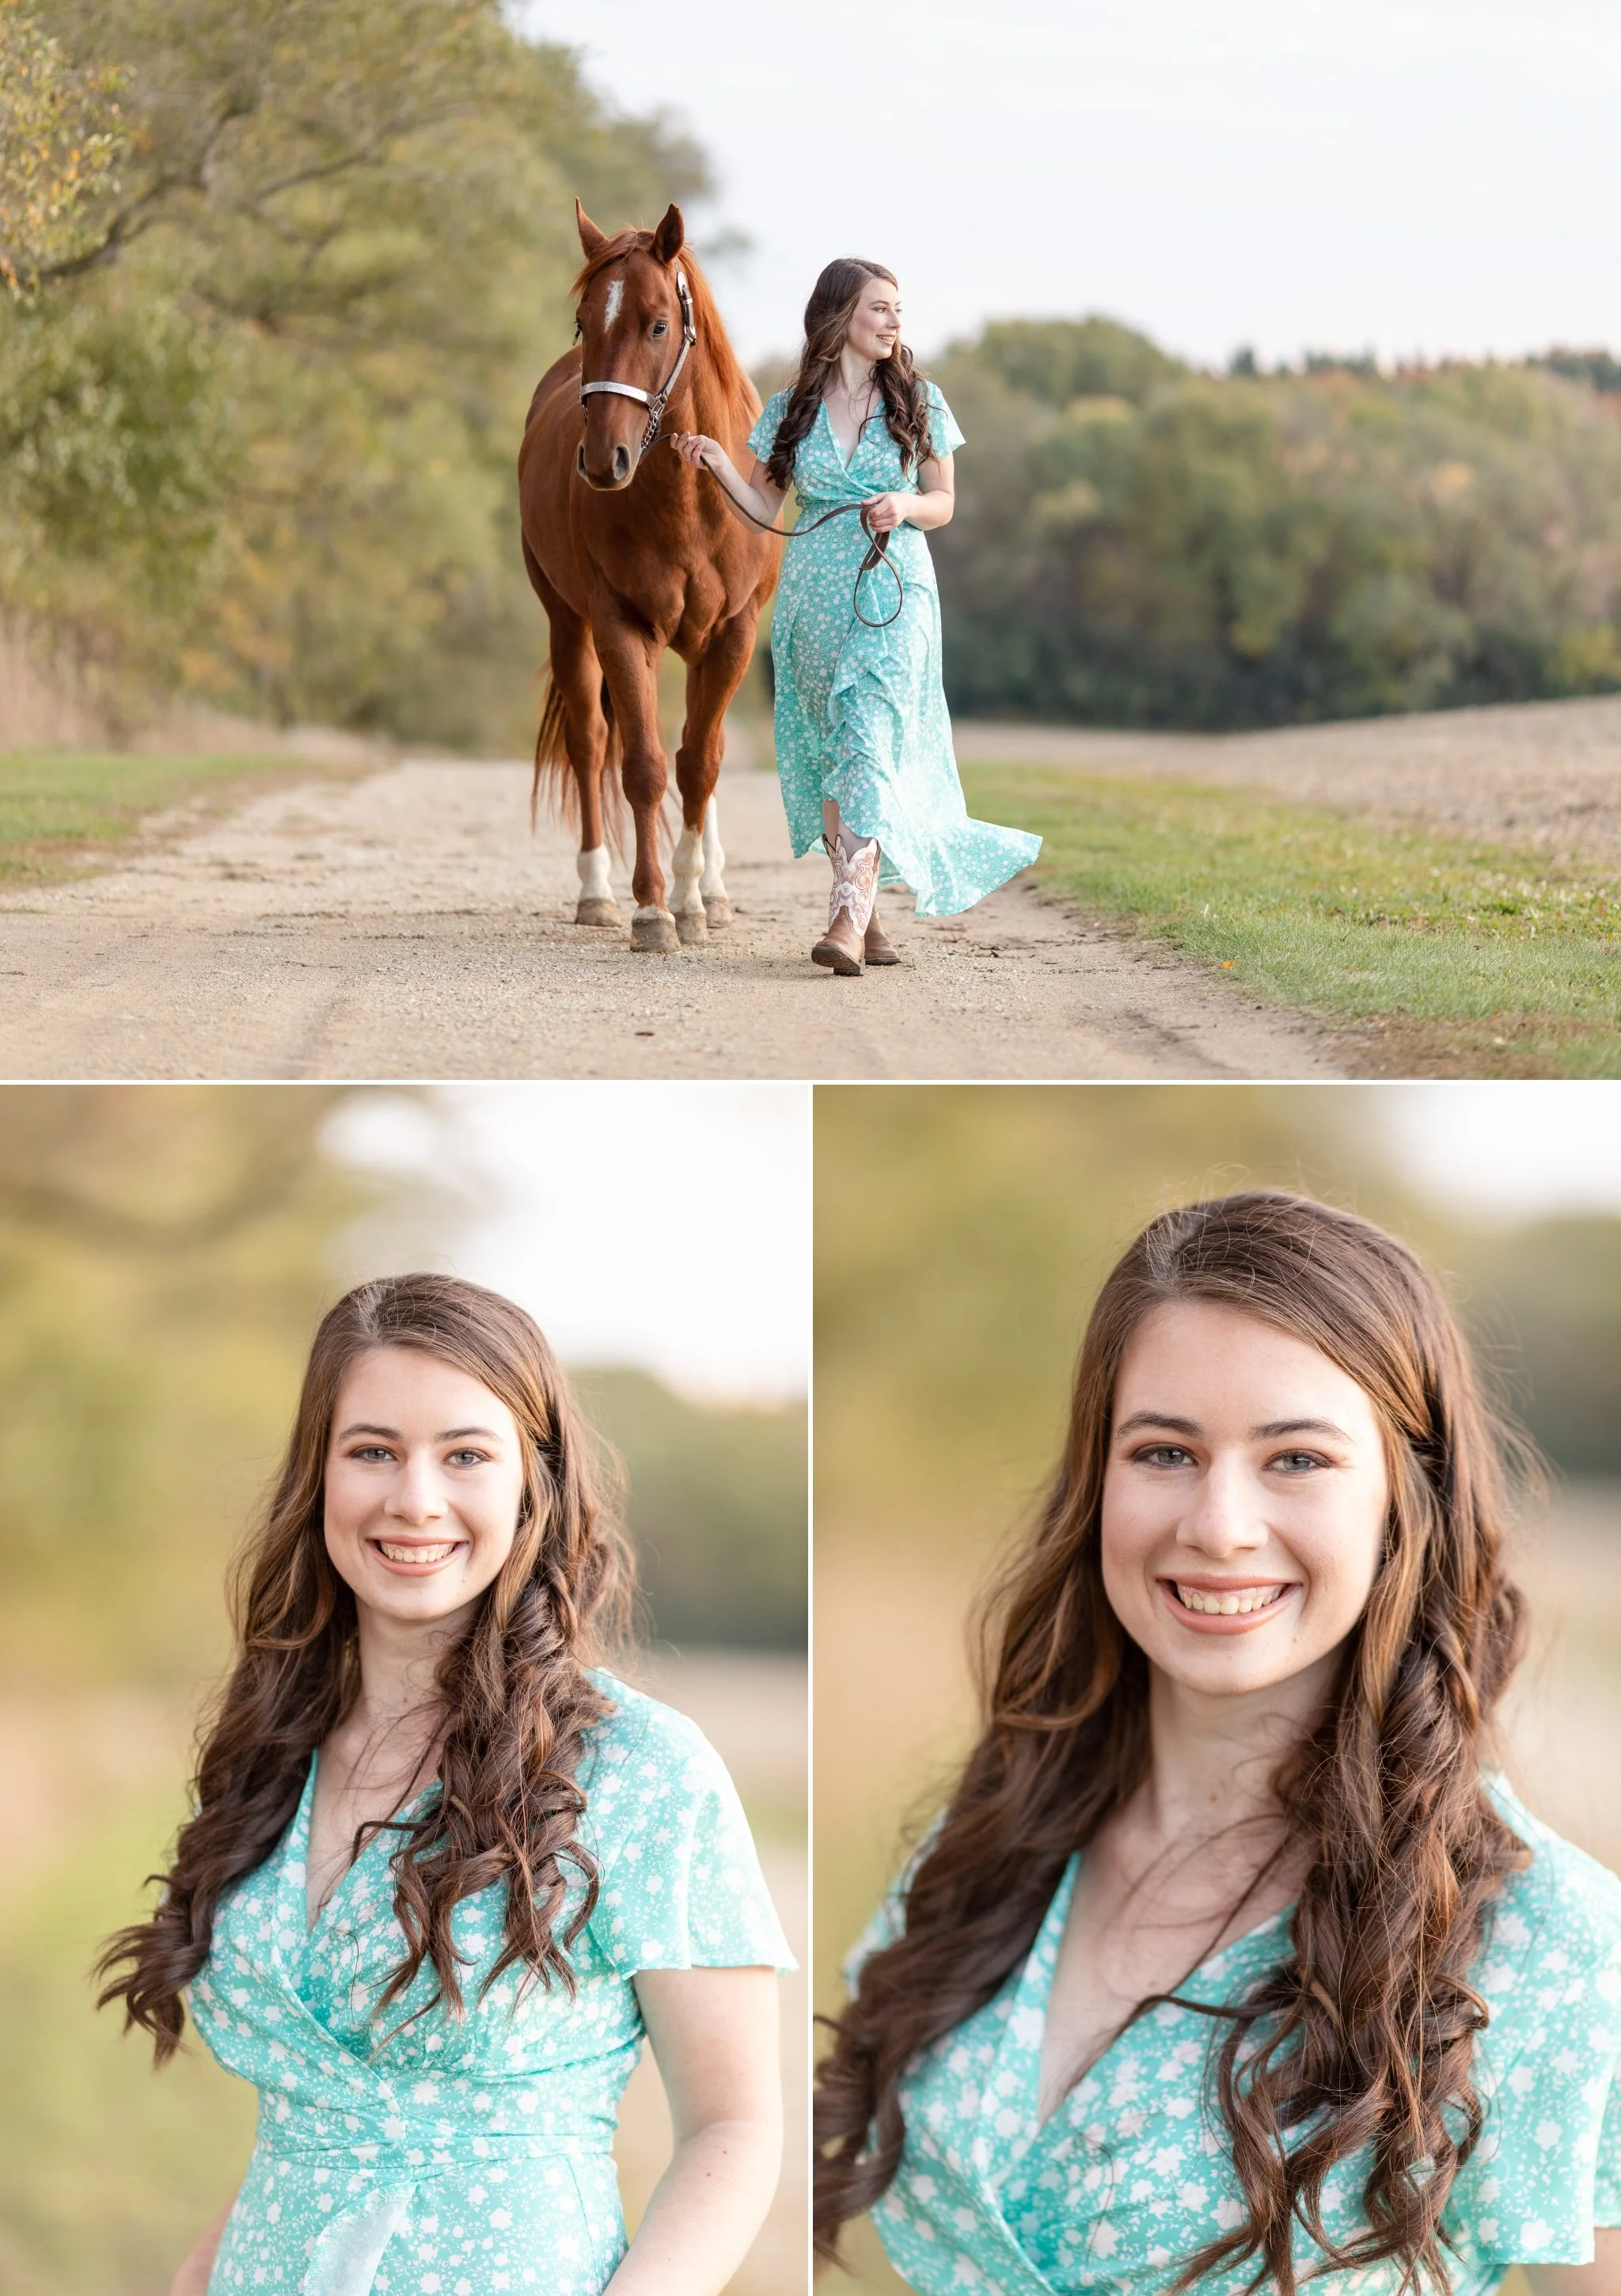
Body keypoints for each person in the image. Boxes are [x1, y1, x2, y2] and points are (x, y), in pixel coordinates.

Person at [814, 1192, 1621, 2295]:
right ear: (1097, 1480)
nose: (1220, 1525)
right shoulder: (996, 1841)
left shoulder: (1547, 1942)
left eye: (1296, 1460)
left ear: (1406, 1497)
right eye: (1163, 1452)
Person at [97, 1272, 793, 2296]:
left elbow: (734, 2129)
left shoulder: (639, 1770)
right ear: (319, 1478)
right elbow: (320, 2112)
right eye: (372, 1450)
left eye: (465, 1454)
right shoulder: (267, 1754)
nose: (414, 1498)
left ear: (531, 1483)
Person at [670, 259, 1040, 977]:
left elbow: (944, 503)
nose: (895, 321)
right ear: (841, 317)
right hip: (812, 597)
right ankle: (864, 911)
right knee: (837, 750)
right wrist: (718, 462)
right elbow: (760, 512)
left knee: (867, 732)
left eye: (899, 309)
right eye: (880, 308)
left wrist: (904, 505)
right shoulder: (788, 410)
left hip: (894, 589)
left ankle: (844, 920)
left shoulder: (921, 401)